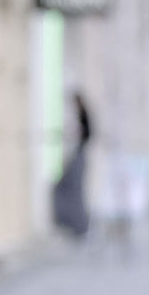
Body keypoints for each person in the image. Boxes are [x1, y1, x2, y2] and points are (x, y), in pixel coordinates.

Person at [52, 92, 93, 238]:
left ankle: (80, 226)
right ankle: (75, 225)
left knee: (75, 192)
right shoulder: (79, 116)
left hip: (79, 156)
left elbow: (85, 135)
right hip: (77, 156)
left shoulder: (83, 117)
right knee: (67, 190)